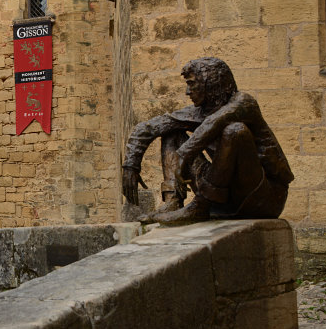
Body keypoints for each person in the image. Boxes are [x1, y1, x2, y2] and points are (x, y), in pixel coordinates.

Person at [122, 57, 294, 224]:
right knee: (172, 132)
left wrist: (184, 154)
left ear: (209, 83)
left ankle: (200, 206)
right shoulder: (197, 112)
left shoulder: (244, 102)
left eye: (191, 84)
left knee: (235, 131)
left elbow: (214, 122)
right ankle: (172, 201)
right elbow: (147, 128)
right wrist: (131, 166)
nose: (187, 92)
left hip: (263, 196)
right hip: (224, 197)